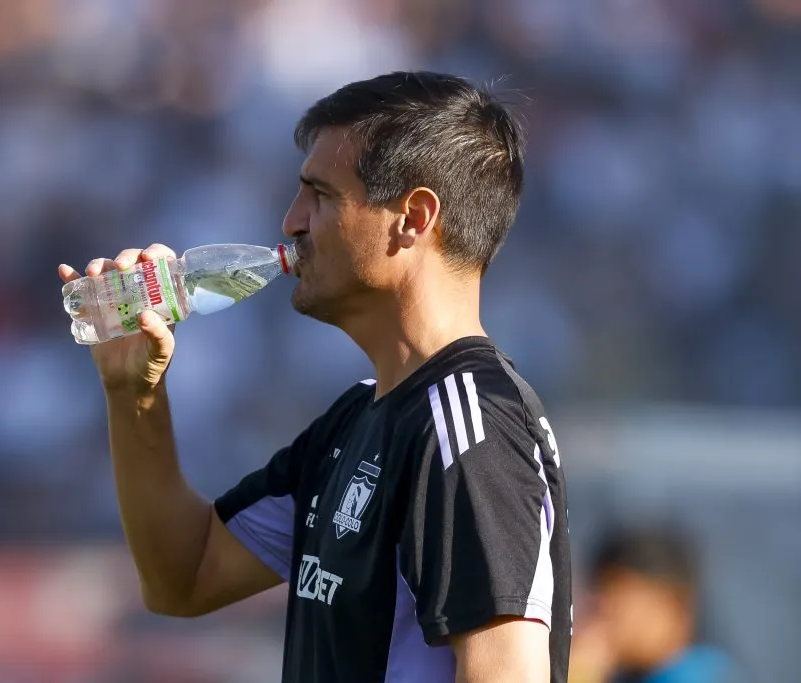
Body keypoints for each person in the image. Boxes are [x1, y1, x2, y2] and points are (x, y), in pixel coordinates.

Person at [58, 71, 572, 683]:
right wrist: (133, 393)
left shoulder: (469, 425)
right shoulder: (356, 422)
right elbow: (182, 577)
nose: (291, 221)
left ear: (413, 217)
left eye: (319, 195)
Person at [569, 526, 736, 683]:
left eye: (618, 605)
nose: (601, 621)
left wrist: (582, 673)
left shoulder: (697, 676)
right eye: (598, 603)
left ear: (673, 607)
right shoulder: (634, 673)